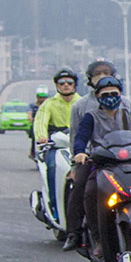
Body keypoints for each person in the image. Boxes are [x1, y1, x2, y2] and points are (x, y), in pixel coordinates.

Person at [72, 75, 131, 251]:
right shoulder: (91, 117)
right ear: (97, 97)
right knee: (89, 192)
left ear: (120, 94)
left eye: (114, 93)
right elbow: (81, 137)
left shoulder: (128, 113)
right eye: (105, 94)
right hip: (101, 165)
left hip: (129, 162)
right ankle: (93, 238)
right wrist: (80, 152)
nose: (110, 97)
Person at [61, 60, 127, 251]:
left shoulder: (126, 105)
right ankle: (75, 232)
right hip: (95, 160)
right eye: (98, 74)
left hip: (125, 158)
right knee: (83, 189)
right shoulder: (82, 107)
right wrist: (78, 158)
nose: (110, 97)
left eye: (107, 72)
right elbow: (77, 137)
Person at [33, 68, 81, 207]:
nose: (65, 85)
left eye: (69, 82)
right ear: (56, 86)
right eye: (61, 83)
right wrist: (42, 137)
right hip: (57, 144)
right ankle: (54, 204)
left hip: (79, 145)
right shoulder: (49, 103)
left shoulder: (82, 102)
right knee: (53, 167)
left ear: (74, 85)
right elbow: (40, 121)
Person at [28, 86, 50, 159]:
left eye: (44, 97)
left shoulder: (49, 105)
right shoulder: (33, 106)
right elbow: (29, 114)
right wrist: (32, 119)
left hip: (47, 126)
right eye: (40, 97)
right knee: (34, 139)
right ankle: (33, 153)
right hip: (36, 126)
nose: (42, 99)